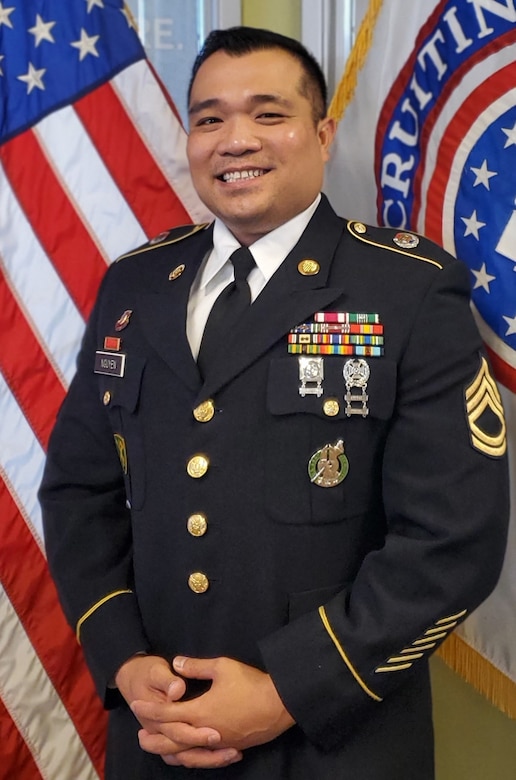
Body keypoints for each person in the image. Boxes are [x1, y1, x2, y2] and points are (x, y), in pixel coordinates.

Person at [39, 26, 510, 780]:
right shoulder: (134, 285)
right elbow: (78, 493)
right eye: (209, 118)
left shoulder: (408, 290)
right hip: (160, 737)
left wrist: (288, 689)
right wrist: (123, 658)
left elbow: (454, 540)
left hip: (336, 742)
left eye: (268, 114)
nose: (235, 140)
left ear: (322, 136)